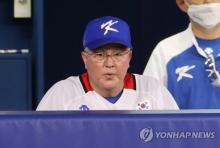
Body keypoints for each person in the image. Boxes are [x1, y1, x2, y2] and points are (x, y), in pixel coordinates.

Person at [37, 16, 178, 110]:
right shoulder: (63, 94)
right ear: (85, 59)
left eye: (118, 54)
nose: (110, 63)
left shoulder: (152, 90)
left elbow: (177, 138)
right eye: (100, 55)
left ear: (129, 57)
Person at [143, 0, 220, 109]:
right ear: (182, 3)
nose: (207, 0)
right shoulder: (165, 51)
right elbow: (146, 111)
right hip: (180, 127)